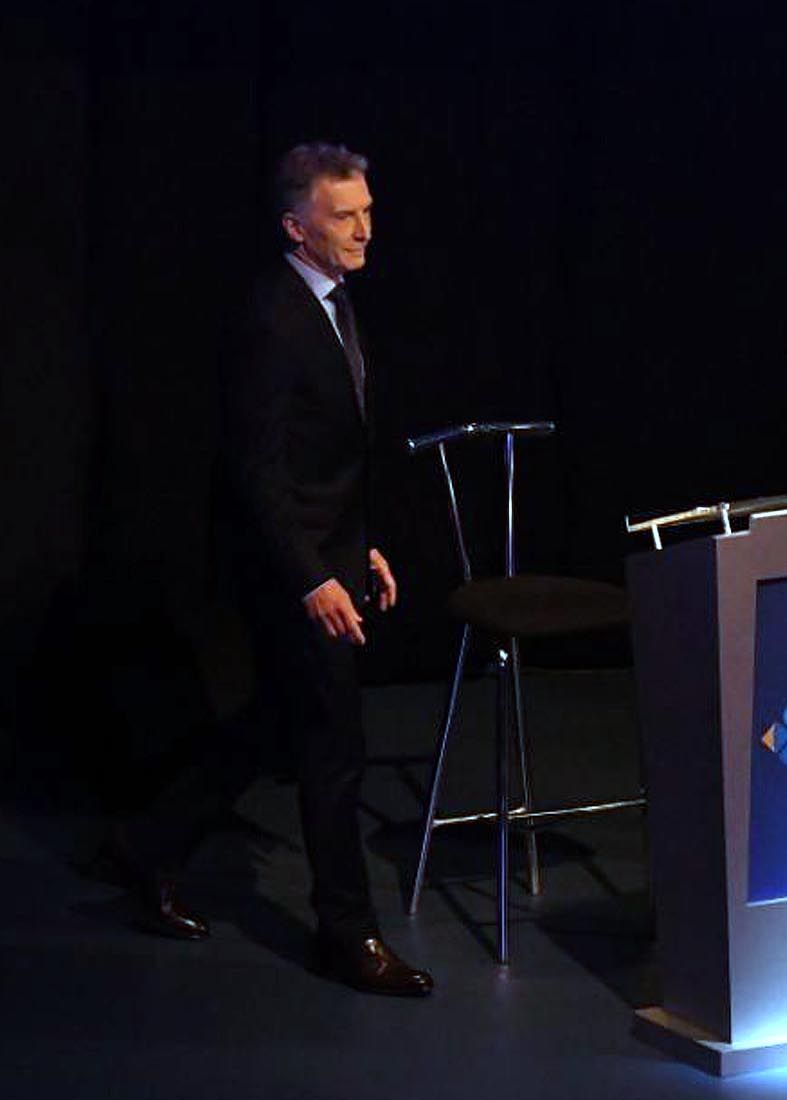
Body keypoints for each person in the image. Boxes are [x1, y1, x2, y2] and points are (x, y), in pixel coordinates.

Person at [98, 143, 433, 996]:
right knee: (333, 743)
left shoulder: (334, 302)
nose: (365, 229)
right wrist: (314, 577)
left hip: (328, 551)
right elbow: (257, 470)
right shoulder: (270, 317)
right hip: (286, 568)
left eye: (367, 210)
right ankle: (347, 935)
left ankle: (145, 847)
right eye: (344, 216)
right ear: (296, 226)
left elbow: (332, 458)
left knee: (273, 728)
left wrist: (361, 549)